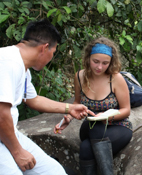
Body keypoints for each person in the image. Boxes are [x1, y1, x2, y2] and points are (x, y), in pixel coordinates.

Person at [0, 19, 94, 175]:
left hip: (7, 132)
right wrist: (17, 151)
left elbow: (33, 99)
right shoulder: (8, 62)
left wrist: (70, 108)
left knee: (53, 171)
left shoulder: (22, 66)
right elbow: (1, 115)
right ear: (44, 48)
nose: (52, 57)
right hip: (4, 130)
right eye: (53, 52)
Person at [54, 37, 132, 175]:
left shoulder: (116, 78)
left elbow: (126, 110)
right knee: (95, 128)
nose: (99, 67)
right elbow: (77, 102)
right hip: (90, 127)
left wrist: (108, 117)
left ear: (111, 62)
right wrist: (68, 117)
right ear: (88, 58)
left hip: (118, 127)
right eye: (95, 61)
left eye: (105, 63)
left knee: (85, 148)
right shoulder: (80, 76)